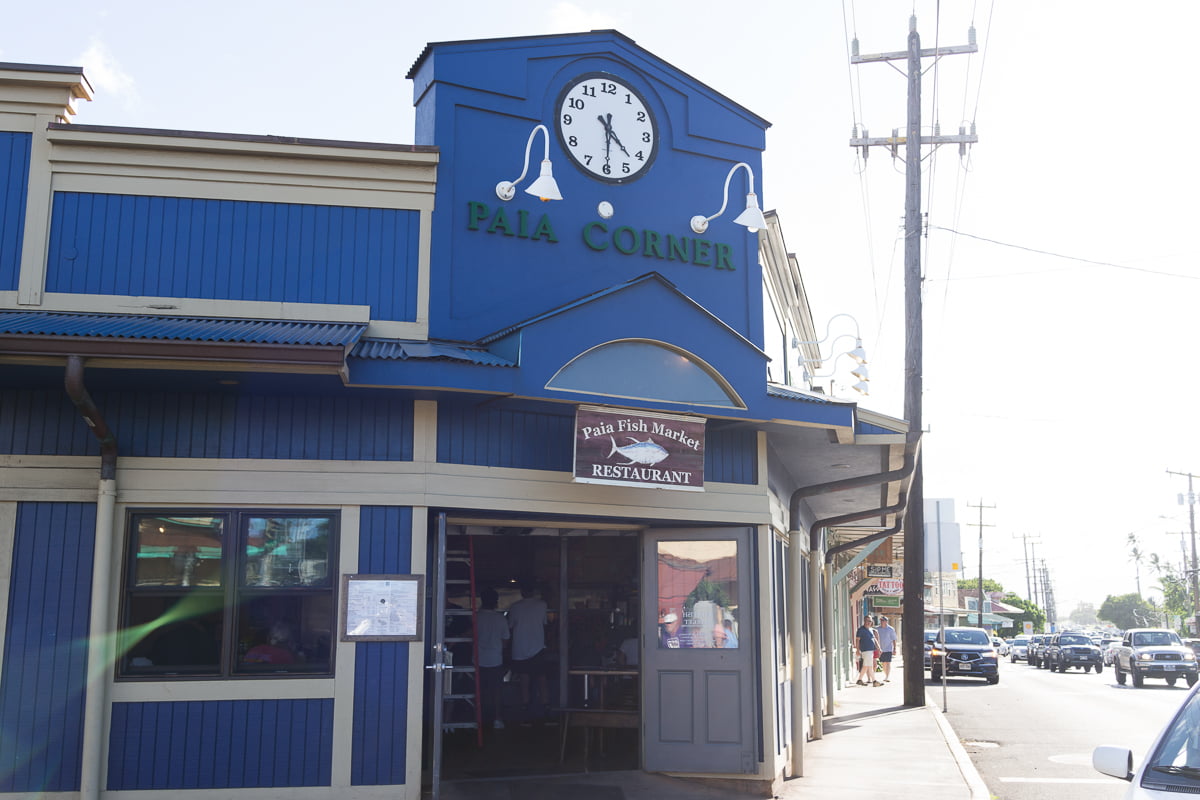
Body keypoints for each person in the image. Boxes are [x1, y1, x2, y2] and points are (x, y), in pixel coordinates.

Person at [507, 579, 549, 716]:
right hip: (538, 647)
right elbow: (545, 624)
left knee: (524, 679)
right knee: (542, 677)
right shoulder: (542, 605)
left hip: (520, 648)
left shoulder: (515, 607)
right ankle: (545, 705)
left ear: (522, 592)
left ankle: (525, 707)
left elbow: (510, 627)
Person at [476, 587, 510, 730]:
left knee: (479, 691)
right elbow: (506, 641)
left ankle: (479, 720)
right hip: (496, 659)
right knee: (497, 692)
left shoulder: (475, 617)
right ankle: (497, 719)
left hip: (477, 659)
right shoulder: (500, 619)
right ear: (496, 602)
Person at [855, 615, 881, 686]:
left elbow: (874, 639)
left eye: (870, 621)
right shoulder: (861, 630)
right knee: (868, 666)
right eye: (867, 621)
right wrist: (857, 650)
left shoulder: (870, 630)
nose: (869, 622)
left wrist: (878, 648)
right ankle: (874, 681)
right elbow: (857, 640)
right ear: (864, 621)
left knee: (867, 666)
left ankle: (860, 680)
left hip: (871, 650)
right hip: (865, 650)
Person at [876, 615, 898, 682]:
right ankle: (885, 674)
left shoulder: (891, 629)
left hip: (888, 649)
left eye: (883, 620)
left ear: (886, 621)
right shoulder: (877, 629)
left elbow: (894, 639)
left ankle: (887, 676)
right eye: (881, 620)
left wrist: (894, 649)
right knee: (883, 663)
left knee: (888, 662)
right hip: (880, 649)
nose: (882, 622)